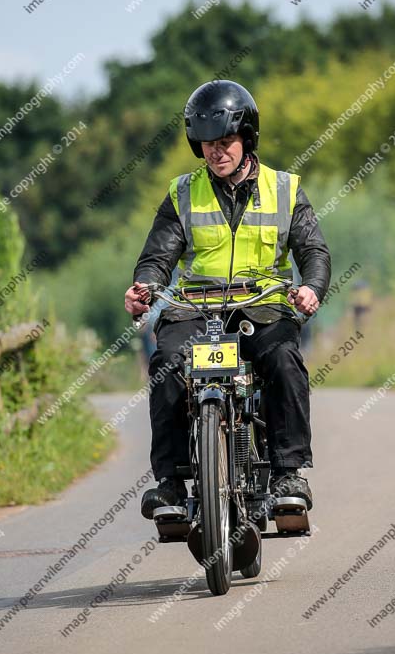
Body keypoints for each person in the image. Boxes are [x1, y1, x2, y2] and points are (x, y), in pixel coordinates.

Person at [124, 80, 331, 520]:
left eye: (224, 142)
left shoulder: (285, 188)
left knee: (283, 362)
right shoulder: (182, 192)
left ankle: (288, 474)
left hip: (262, 304)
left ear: (247, 138)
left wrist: (311, 286)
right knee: (166, 364)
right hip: (194, 308)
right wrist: (144, 286)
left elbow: (313, 250)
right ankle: (172, 484)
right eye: (206, 145)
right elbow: (158, 256)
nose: (216, 153)